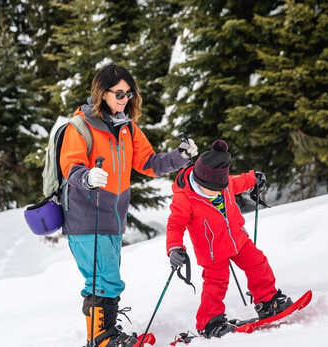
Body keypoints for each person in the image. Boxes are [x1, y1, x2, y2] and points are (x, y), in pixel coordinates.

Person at [59, 63, 198, 347]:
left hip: (112, 218)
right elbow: (69, 168)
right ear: (102, 93)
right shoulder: (79, 127)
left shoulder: (126, 128)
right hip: (86, 218)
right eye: (119, 93)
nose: (125, 99)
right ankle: (103, 337)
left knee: (102, 280)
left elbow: (148, 162)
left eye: (129, 93)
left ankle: (101, 334)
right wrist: (87, 176)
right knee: (106, 279)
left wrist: (180, 156)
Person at [166, 139, 292, 339]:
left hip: (238, 239)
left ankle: (268, 301)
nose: (218, 191)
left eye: (221, 187)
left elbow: (238, 182)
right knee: (215, 285)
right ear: (199, 181)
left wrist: (254, 179)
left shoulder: (223, 184)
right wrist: (175, 248)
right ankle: (210, 322)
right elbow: (175, 224)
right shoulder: (185, 198)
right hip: (212, 252)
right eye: (213, 189)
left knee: (258, 263)